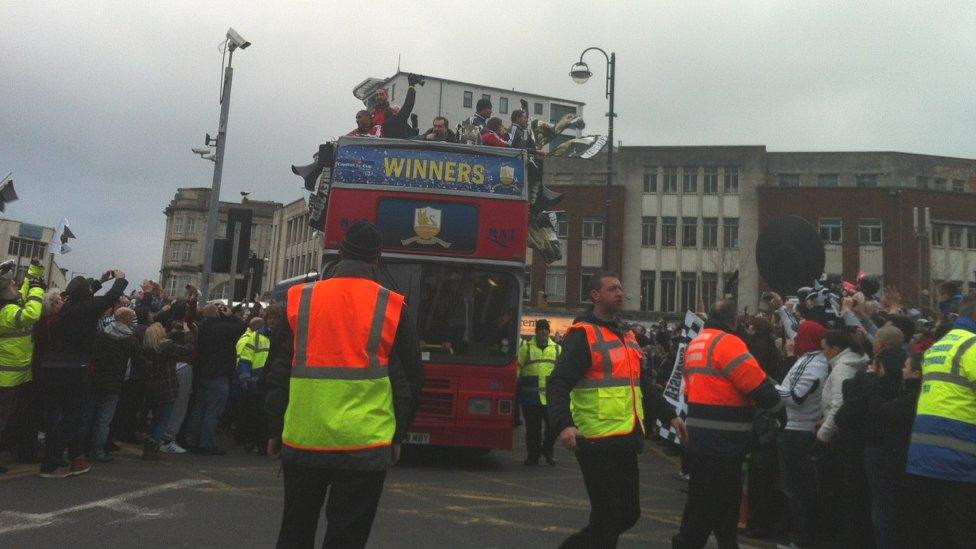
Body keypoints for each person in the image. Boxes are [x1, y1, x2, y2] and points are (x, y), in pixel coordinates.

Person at [266, 220, 424, 548]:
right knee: (347, 538)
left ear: (340, 253)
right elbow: (409, 379)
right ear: (377, 260)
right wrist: (398, 435)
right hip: (365, 446)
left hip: (304, 439)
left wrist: (272, 428)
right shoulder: (392, 305)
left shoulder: (301, 300)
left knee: (295, 531)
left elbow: (278, 372)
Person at [547, 271, 684, 548]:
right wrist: (564, 424)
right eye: (612, 289)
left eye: (621, 288)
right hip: (596, 439)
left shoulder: (627, 334)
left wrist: (669, 414)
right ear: (595, 296)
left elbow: (643, 384)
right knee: (609, 517)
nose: (620, 292)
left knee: (629, 513)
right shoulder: (582, 334)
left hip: (625, 437)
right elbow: (558, 383)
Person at [672, 299, 782, 549]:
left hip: (698, 437)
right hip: (725, 441)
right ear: (734, 321)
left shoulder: (696, 343)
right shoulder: (729, 343)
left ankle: (722, 543)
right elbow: (757, 385)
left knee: (705, 501)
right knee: (717, 504)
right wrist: (780, 410)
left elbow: (689, 391)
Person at [39, 269, 127, 478]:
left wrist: (101, 280)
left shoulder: (68, 307)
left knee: (66, 416)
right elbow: (109, 298)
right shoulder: (87, 309)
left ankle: (76, 458)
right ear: (85, 293)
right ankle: (51, 463)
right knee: (72, 417)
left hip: (57, 368)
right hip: (77, 369)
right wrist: (120, 279)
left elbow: (84, 294)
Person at [904, 296, 976, 547]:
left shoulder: (939, 346)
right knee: (963, 533)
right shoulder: (973, 348)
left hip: (923, 458)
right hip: (960, 460)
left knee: (935, 533)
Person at [775, 320, 828, 549]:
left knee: (798, 492)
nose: (794, 339)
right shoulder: (811, 361)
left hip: (799, 432)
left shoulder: (812, 363)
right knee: (798, 491)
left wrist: (767, 385)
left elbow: (795, 397)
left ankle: (801, 540)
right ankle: (799, 537)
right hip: (800, 430)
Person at [0, 260, 45, 474]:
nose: (15, 290)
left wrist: (33, 273)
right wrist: (37, 288)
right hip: (5, 377)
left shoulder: (8, 305)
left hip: (14, 375)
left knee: (8, 418)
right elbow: (31, 314)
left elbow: (21, 295)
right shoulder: (5, 313)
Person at [186, 303, 245, 455]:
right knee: (213, 411)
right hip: (219, 374)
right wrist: (230, 315)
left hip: (202, 373)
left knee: (199, 409)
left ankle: (194, 440)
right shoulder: (222, 328)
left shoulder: (201, 328)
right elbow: (241, 326)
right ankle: (206, 443)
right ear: (218, 314)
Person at [88, 307, 140, 462]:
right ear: (125, 319)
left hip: (96, 378)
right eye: (131, 318)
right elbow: (139, 361)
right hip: (115, 382)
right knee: (104, 419)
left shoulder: (102, 333)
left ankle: (82, 447)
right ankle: (98, 450)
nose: (132, 321)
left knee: (89, 414)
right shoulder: (130, 340)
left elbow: (93, 354)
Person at [140, 322, 194, 460]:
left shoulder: (147, 348)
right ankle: (153, 447)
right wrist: (188, 334)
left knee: (154, 418)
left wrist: (172, 333)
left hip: (152, 387)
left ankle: (148, 447)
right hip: (167, 386)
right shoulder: (167, 346)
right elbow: (187, 349)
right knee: (163, 419)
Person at [517, 319, 560, 466]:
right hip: (531, 398)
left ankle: (547, 449)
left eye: (545, 329)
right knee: (533, 430)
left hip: (550, 398)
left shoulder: (557, 349)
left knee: (554, 427)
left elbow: (562, 372)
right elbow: (517, 368)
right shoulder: (526, 348)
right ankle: (533, 456)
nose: (543, 332)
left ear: (549, 332)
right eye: (540, 329)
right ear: (536, 332)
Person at [235, 316, 270, 453]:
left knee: (261, 415)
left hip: (263, 380)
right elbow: (244, 359)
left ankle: (258, 442)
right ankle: (255, 442)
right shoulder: (253, 338)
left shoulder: (276, 337)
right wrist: (245, 378)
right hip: (256, 381)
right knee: (256, 415)